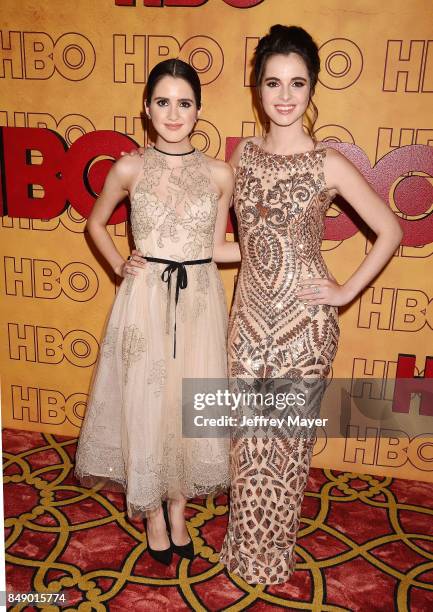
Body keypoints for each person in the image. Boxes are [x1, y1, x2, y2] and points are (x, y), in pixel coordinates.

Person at [217, 25, 403, 584]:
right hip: (247, 318)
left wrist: (344, 292)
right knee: (245, 441)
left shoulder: (328, 164)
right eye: (273, 82)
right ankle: (241, 550)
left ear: (312, 88)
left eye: (297, 83)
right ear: (257, 88)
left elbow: (390, 230)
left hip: (306, 324)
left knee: (287, 446)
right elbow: (235, 246)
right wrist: (161, 250)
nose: (284, 95)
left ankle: (273, 556)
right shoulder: (242, 157)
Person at [74, 58, 239, 566]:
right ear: (146, 109)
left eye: (184, 103)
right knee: (147, 400)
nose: (173, 112)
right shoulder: (129, 167)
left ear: (198, 110)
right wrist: (120, 263)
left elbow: (216, 249)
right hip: (144, 298)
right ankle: (151, 514)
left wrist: (273, 248)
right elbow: (96, 225)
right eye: (162, 102)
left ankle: (179, 509)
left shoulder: (218, 173)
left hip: (198, 300)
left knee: (189, 404)